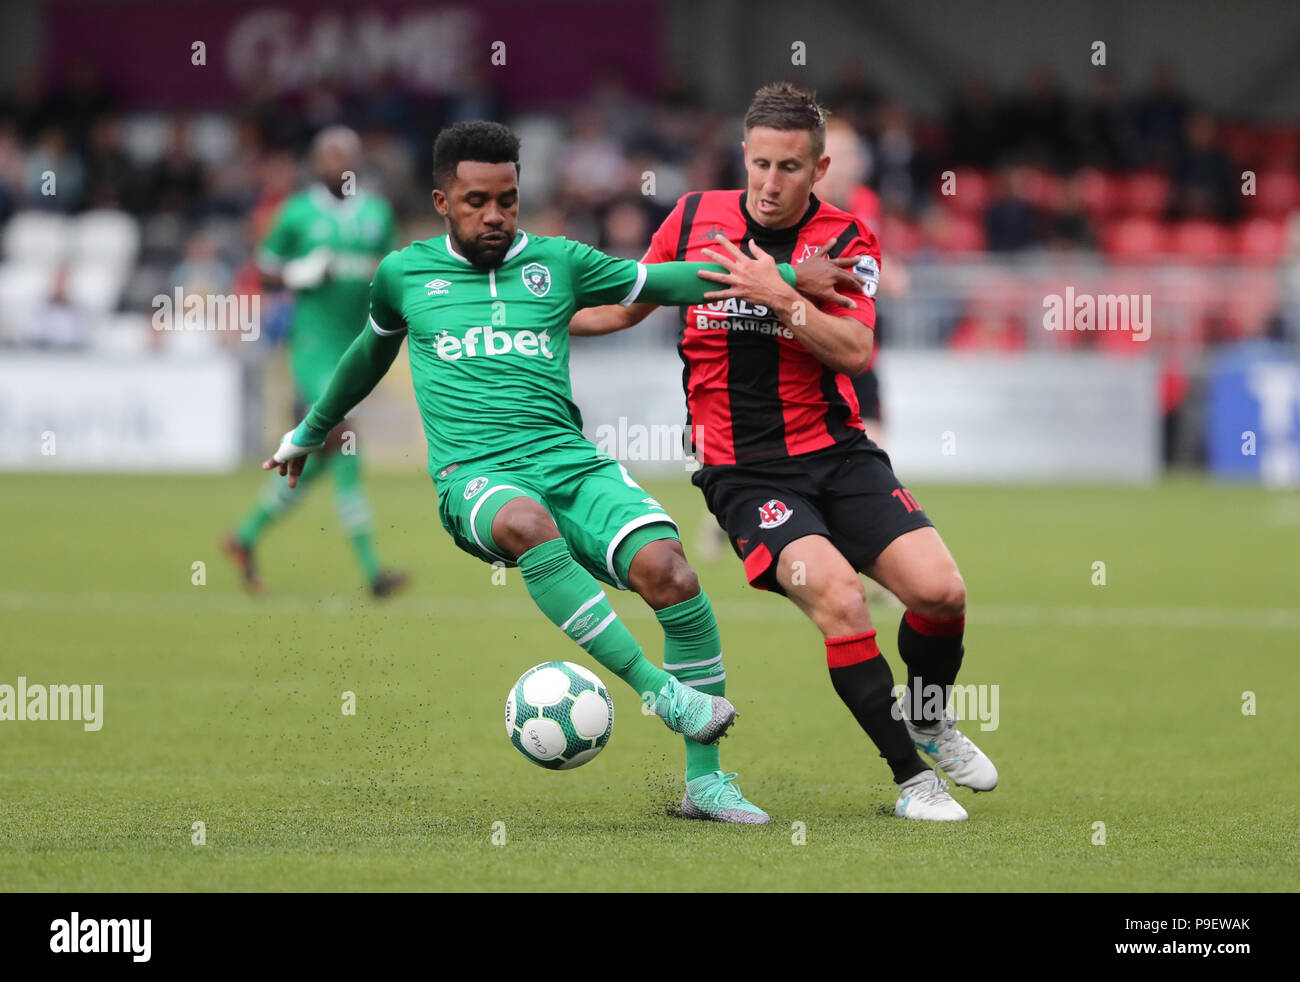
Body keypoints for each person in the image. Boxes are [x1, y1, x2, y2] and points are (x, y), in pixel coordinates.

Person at [265, 121, 856, 822]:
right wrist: (310, 430)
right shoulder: (404, 274)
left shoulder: (558, 262)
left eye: (508, 200)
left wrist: (787, 277)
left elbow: (667, 281)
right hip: (475, 476)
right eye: (477, 200)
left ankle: (706, 784)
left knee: (672, 572)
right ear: (441, 201)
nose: (494, 216)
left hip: (570, 461)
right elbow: (368, 354)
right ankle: (660, 692)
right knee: (525, 522)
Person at [571, 83, 998, 821]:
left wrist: (783, 296)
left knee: (940, 593)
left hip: (838, 453)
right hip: (744, 470)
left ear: (819, 167)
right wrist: (532, 319)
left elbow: (857, 349)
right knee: (838, 599)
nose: (770, 185)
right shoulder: (692, 218)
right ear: (743, 155)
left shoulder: (846, 238)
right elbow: (625, 305)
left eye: (790, 169)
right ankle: (912, 782)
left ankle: (929, 717)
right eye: (760, 164)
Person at [223, 126, 408, 598]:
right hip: (313, 351)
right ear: (316, 162)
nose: (336, 164)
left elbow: (394, 271)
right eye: (328, 156)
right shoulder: (298, 212)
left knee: (321, 459)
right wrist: (295, 273)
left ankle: (245, 536)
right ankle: (374, 574)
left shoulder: (376, 213)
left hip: (361, 349)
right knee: (346, 443)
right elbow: (262, 269)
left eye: (344, 156)